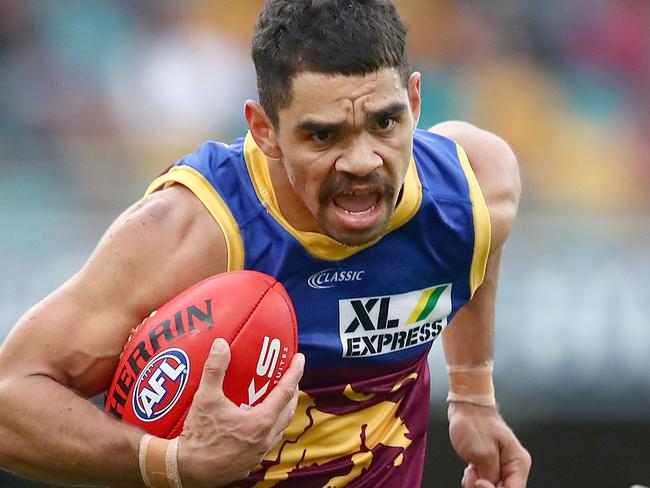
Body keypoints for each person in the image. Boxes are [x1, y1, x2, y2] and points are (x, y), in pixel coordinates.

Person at [0, 1, 531, 487]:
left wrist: (472, 393)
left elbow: (477, 245)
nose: (363, 162)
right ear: (264, 130)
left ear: (415, 102)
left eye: (385, 122)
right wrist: (174, 464)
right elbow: (11, 401)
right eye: (323, 135)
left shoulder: (472, 187)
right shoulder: (192, 232)